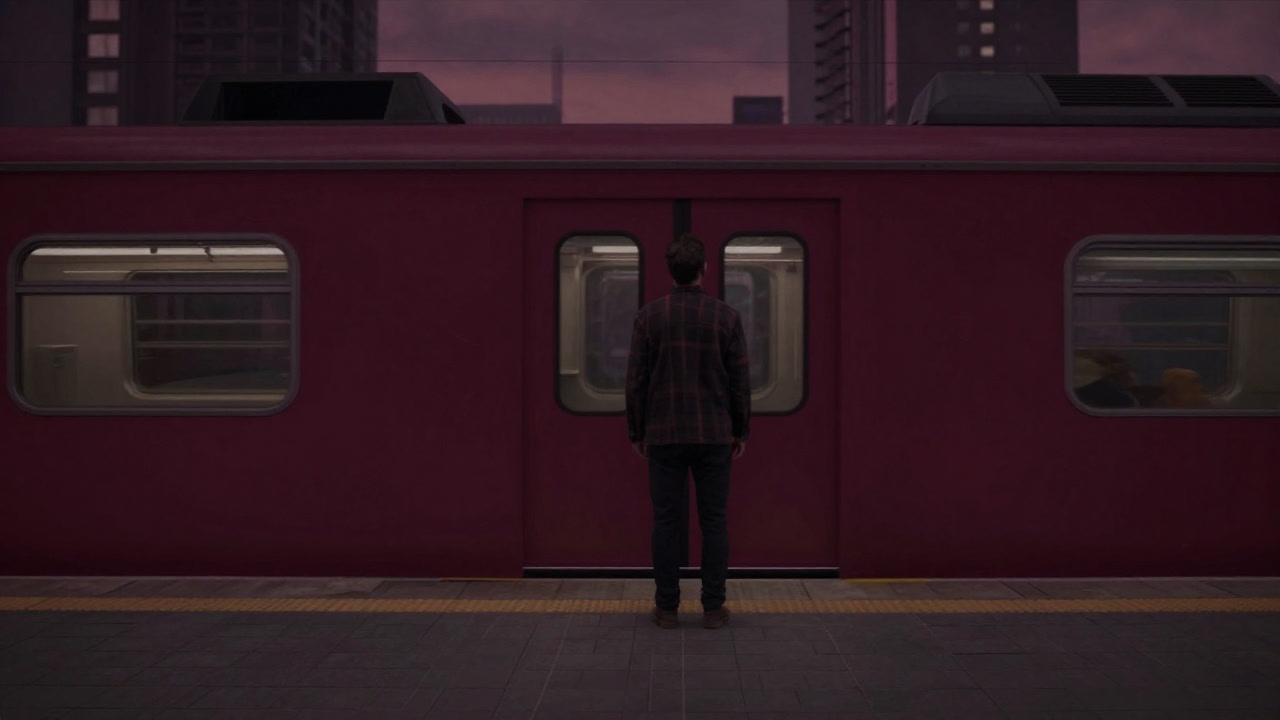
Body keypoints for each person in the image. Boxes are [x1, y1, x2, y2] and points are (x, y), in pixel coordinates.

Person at [625, 233, 750, 630]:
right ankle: (713, 608)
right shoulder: (726, 317)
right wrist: (741, 429)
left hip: (663, 434)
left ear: (670, 272)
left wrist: (637, 431)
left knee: (666, 520)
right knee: (714, 520)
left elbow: (635, 382)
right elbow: (739, 381)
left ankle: (666, 609)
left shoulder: (649, 317)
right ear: (704, 270)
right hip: (714, 434)